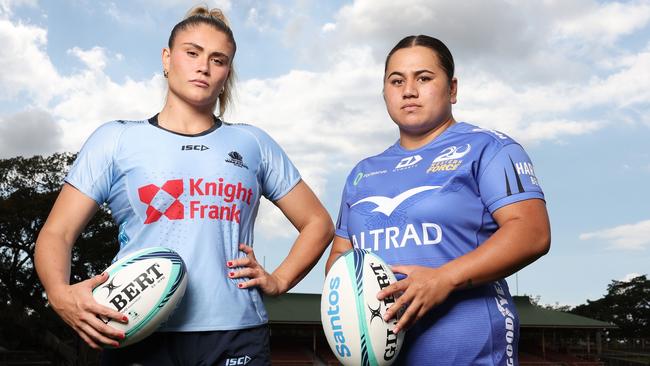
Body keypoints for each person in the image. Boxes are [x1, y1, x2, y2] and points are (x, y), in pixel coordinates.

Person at [34, 6, 334, 365]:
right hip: (135, 327)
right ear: (167, 58)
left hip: (236, 333)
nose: (203, 66)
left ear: (227, 72)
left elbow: (318, 222)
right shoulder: (115, 140)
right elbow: (57, 233)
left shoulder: (253, 143)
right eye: (192, 52)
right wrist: (58, 292)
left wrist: (280, 281)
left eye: (218, 59)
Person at [326, 35, 551, 365]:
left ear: (453, 89)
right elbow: (341, 255)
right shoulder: (362, 173)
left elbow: (532, 232)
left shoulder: (489, 148)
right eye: (396, 80)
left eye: (424, 78)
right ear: (385, 92)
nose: (409, 91)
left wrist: (444, 278)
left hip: (472, 354)